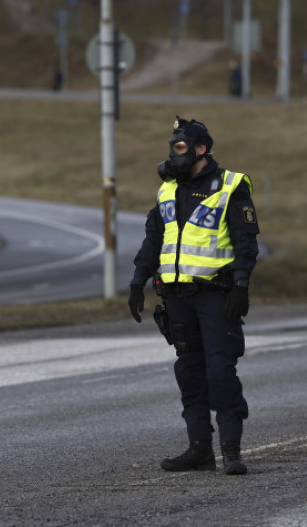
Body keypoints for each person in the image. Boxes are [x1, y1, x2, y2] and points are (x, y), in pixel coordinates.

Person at [128, 117, 260, 476]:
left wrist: (240, 285)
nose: (174, 153)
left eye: (181, 147)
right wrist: (138, 281)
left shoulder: (230, 187)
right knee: (189, 373)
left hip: (216, 296)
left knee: (220, 372)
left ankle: (231, 451)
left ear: (202, 149)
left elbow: (246, 243)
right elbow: (154, 240)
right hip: (177, 296)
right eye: (172, 147)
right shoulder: (168, 189)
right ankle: (200, 449)